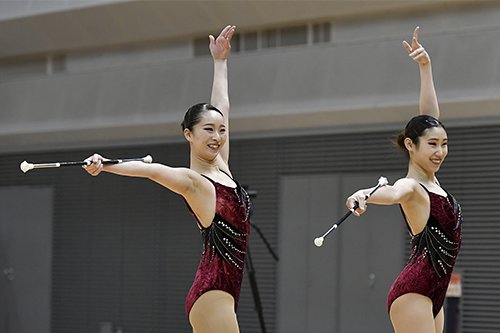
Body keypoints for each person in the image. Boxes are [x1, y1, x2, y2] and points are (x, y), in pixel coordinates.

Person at [83, 25, 251, 333]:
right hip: (212, 292)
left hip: (224, 292)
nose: (217, 137)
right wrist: (105, 164)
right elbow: (150, 170)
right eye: (208, 130)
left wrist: (220, 62)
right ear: (189, 134)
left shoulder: (223, 167)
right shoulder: (195, 182)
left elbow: (222, 105)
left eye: (221, 130)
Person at [346, 27, 462, 333]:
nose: (440, 151)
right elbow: (394, 191)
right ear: (411, 145)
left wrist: (426, 68)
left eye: (444, 143)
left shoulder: (435, 184)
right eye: (433, 145)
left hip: (434, 295)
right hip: (414, 293)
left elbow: (430, 119)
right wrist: (363, 195)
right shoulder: (413, 187)